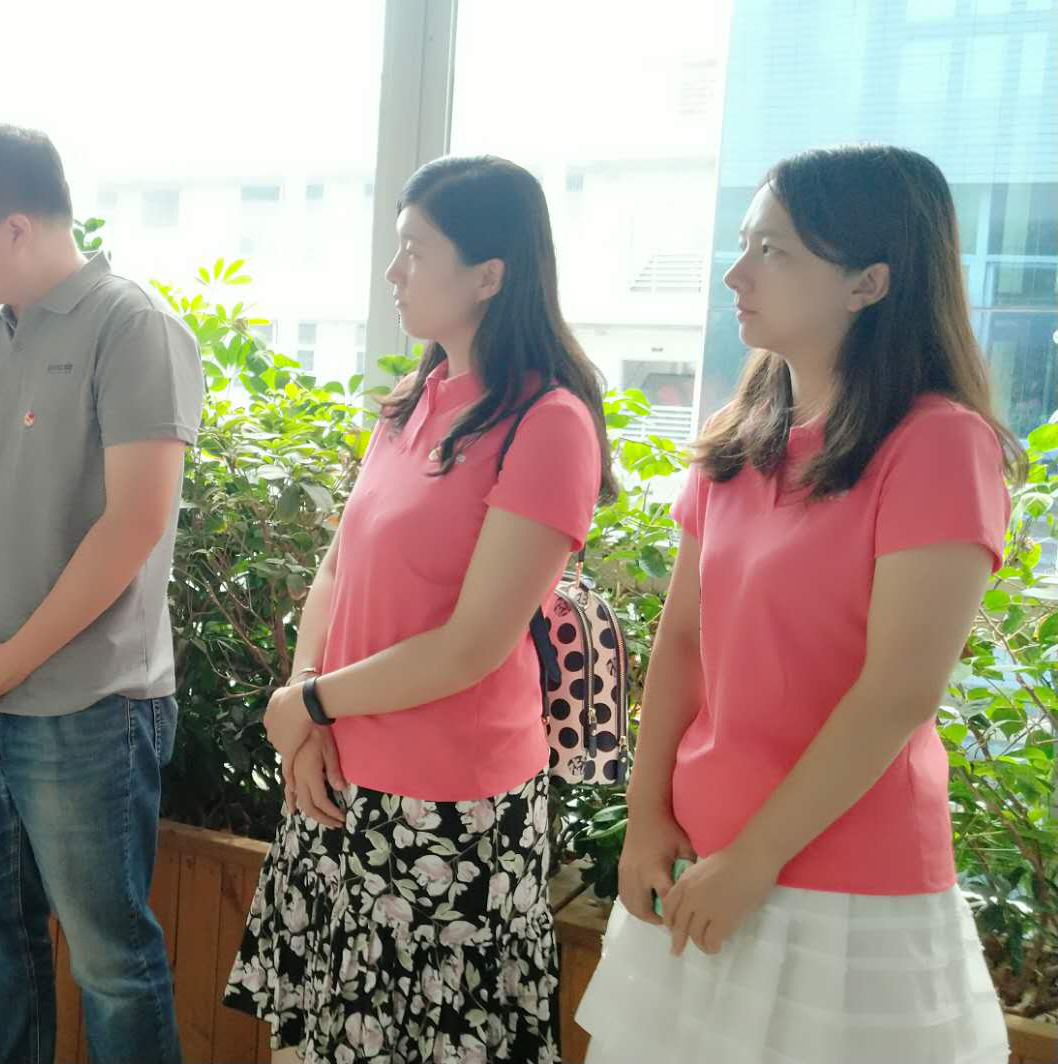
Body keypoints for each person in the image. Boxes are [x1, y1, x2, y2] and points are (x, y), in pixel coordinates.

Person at [576, 145, 1018, 1062]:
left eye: (772, 250)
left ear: (869, 282)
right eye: (744, 244)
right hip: (698, 855)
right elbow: (684, 641)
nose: (735, 275)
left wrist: (755, 859)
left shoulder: (939, 443)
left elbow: (898, 691)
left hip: (844, 886)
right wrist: (646, 814)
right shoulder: (738, 441)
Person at [222, 156, 613, 1064]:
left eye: (416, 251)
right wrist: (307, 708)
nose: (394, 273)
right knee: (317, 1038)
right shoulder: (413, 400)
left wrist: (309, 704)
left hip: (451, 810)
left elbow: (473, 646)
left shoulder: (549, 422)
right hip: (338, 773)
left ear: (489, 275)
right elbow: (338, 568)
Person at [0, 123, 203, 1064]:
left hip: (90, 709)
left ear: (16, 228)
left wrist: (15, 660)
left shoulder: (133, 326)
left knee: (110, 960)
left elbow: (135, 522)